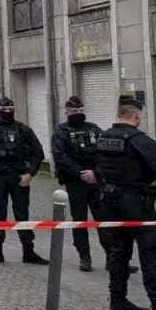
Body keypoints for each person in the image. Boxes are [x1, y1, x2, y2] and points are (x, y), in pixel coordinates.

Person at [95, 97, 156, 310]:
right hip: (137, 204)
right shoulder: (140, 140)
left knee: (118, 252)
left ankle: (117, 300)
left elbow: (98, 167)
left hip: (109, 201)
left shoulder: (103, 137)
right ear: (135, 117)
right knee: (149, 254)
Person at [0, 96, 48, 265]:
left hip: (19, 178)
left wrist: (30, 174)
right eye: (4, 108)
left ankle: (28, 251)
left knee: (22, 215)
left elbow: (38, 153)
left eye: (10, 108)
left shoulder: (23, 130)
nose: (7, 111)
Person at [51, 96, 107, 271]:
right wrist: (80, 173)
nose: (78, 114)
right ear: (67, 112)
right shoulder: (61, 131)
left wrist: (95, 172)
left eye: (81, 111)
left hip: (96, 181)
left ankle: (113, 257)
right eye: (75, 112)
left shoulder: (94, 129)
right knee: (80, 220)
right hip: (76, 182)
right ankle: (85, 257)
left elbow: (106, 153)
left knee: (103, 220)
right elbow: (60, 157)